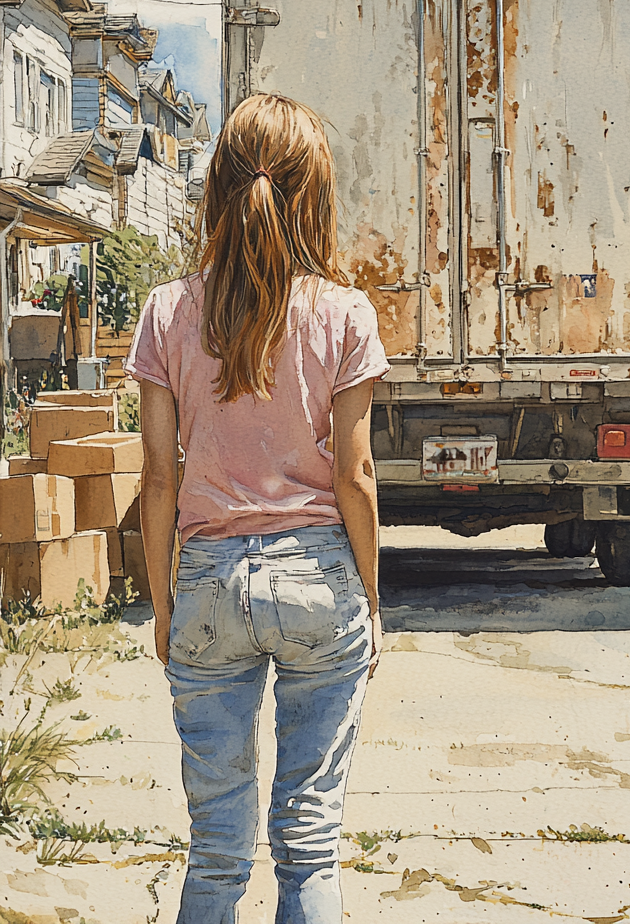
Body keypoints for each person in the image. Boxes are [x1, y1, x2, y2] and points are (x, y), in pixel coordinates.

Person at [126, 93, 391, 924]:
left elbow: (159, 479)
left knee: (213, 855)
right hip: (317, 578)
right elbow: (356, 478)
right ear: (314, 193)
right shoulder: (344, 313)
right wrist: (371, 601)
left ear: (217, 187)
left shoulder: (167, 311)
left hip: (204, 580)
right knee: (309, 847)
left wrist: (163, 604)